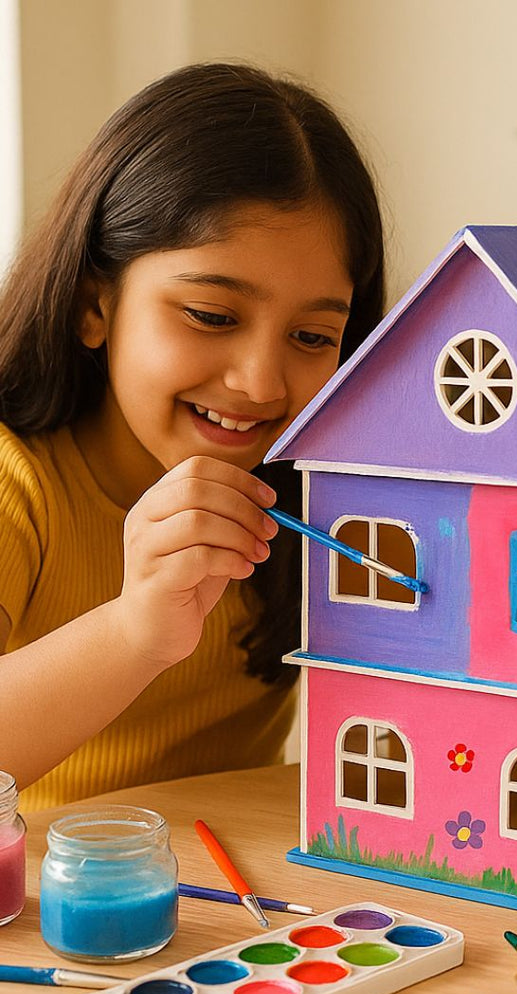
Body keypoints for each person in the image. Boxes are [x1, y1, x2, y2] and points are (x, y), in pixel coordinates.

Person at [0, 62, 384, 810]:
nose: (262, 383)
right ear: (93, 305)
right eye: (211, 316)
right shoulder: (20, 482)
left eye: (312, 335)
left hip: (251, 896)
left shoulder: (337, 497)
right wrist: (134, 632)